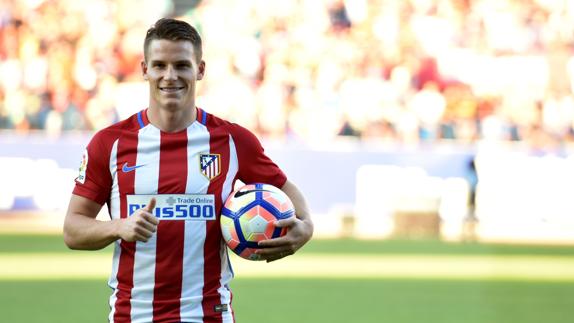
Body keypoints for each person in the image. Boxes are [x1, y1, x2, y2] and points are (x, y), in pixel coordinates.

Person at [63, 18, 313, 323]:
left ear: (200, 69)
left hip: (208, 315)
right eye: (159, 65)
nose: (170, 76)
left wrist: (306, 228)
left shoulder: (233, 141)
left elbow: (294, 202)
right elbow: (73, 229)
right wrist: (118, 227)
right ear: (144, 69)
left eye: (182, 65)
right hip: (134, 315)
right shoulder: (110, 143)